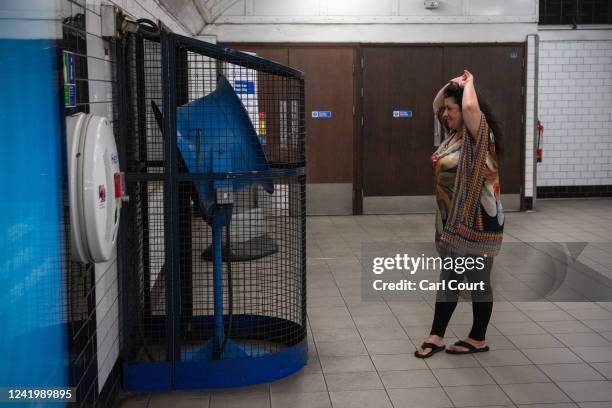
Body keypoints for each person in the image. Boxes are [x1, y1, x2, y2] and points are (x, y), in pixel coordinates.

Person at [414, 70, 504, 358]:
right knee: (450, 277)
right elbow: (435, 104)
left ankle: (478, 337)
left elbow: (468, 107)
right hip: (453, 221)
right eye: (446, 111)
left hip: (478, 221)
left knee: (478, 279)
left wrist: (470, 84)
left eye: (450, 110)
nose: (445, 114)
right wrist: (453, 84)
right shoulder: (454, 136)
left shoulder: (479, 136)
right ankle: (436, 335)